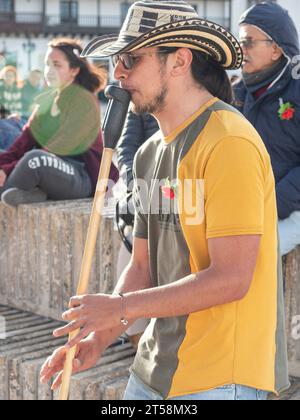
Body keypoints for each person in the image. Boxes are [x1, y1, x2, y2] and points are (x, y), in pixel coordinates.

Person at [40, 1, 289, 400]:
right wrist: (98, 339)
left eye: (130, 59)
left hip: (220, 378)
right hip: (153, 371)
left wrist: (119, 306)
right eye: (117, 60)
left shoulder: (230, 142)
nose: (117, 74)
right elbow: (142, 265)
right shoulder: (148, 152)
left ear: (179, 61)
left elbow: (232, 278)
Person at [0, 38, 118, 206]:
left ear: (74, 70)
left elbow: (58, 148)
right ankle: (33, 193)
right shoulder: (45, 101)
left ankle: (13, 193)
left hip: (82, 177)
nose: (49, 70)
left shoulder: (83, 101)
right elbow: (21, 145)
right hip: (50, 169)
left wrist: (8, 169)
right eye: (47, 64)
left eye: (57, 65)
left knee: (35, 159)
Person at [233, 2, 300, 256]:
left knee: (254, 255)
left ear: (275, 49)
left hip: (291, 211)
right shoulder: (234, 93)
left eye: (249, 42)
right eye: (240, 42)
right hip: (246, 210)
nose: (241, 50)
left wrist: (270, 203)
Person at [116, 110, 158, 349]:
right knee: (132, 237)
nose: (121, 73)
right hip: (145, 187)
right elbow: (126, 146)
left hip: (181, 188)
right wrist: (136, 183)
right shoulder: (137, 103)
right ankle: (136, 332)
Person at [0, 65, 24, 150]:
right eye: (7, 75)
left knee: (26, 129)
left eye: (11, 76)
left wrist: (16, 114)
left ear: (15, 78)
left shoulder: (16, 90)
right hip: (3, 118)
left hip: (15, 118)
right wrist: (9, 115)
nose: (9, 78)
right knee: (15, 134)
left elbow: (18, 107)